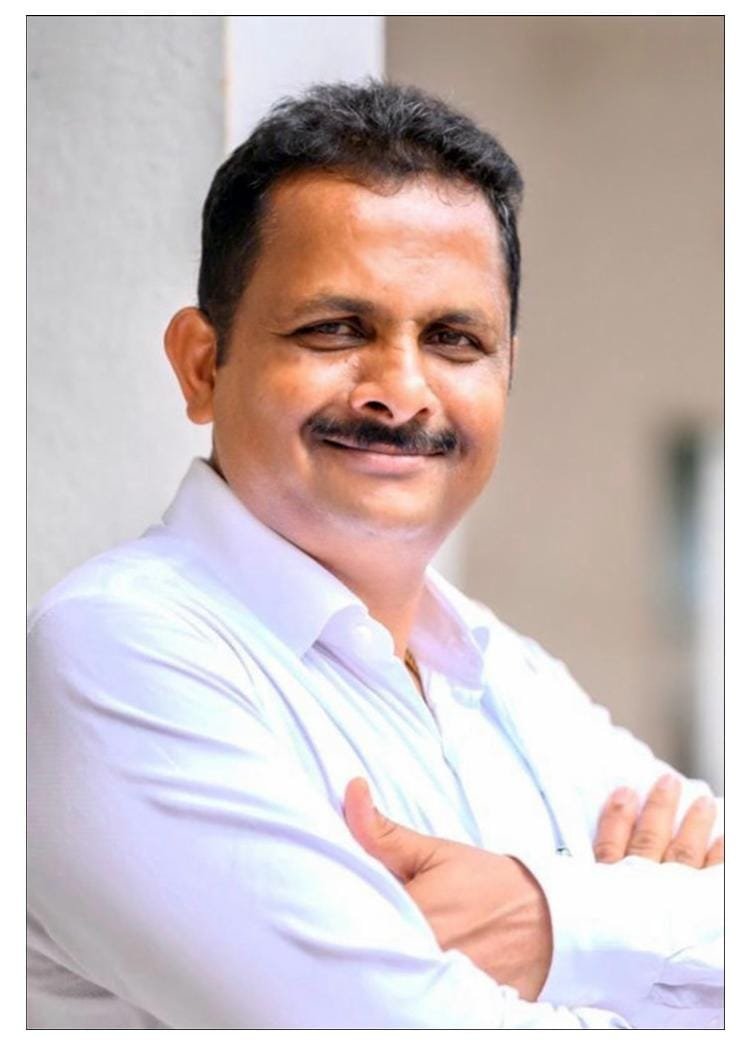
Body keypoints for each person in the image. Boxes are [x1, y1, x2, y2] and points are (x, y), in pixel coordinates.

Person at [27, 81, 723, 1029]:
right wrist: (669, 952)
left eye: (453, 340)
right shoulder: (117, 653)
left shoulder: (501, 671)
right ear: (201, 365)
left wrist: (555, 917)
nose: (400, 391)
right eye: (335, 329)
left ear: (506, 374)